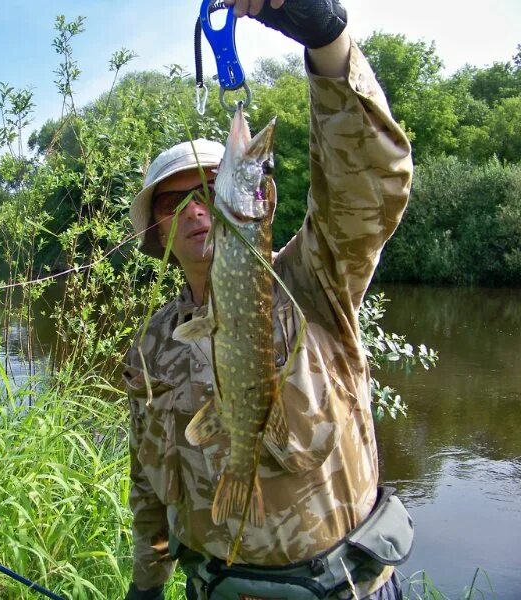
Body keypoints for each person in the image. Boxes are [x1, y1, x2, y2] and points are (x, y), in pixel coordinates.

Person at [122, 1, 415, 599]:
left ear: (256, 199)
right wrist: (147, 586)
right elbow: (148, 486)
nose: (198, 208)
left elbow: (368, 186)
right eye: (175, 201)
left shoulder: (309, 280)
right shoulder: (152, 346)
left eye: (209, 187)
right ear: (156, 231)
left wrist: (328, 42)